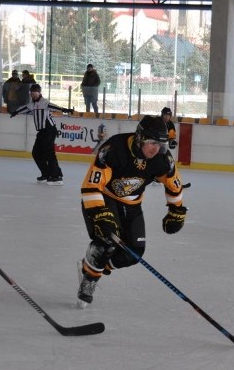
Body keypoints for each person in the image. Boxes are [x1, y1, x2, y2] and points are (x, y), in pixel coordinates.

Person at [76, 115, 185, 308]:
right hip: (104, 197)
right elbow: (91, 186)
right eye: (152, 143)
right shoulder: (114, 149)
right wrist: (100, 215)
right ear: (140, 138)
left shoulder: (162, 159)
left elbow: (173, 184)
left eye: (160, 144)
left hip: (132, 204)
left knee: (133, 253)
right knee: (106, 241)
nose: (156, 149)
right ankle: (90, 278)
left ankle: (92, 266)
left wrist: (176, 210)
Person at [10, 83, 73, 185]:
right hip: (42, 132)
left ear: (39, 93)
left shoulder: (44, 102)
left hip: (49, 130)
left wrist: (65, 110)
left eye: (35, 92)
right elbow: (23, 108)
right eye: (32, 93)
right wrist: (15, 112)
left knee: (49, 153)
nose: (33, 94)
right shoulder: (32, 105)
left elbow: (54, 106)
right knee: (36, 153)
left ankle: (57, 177)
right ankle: (46, 174)